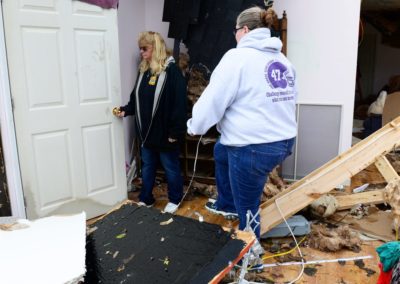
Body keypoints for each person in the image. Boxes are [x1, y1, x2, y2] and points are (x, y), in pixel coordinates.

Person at [187, 7, 297, 239]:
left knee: (248, 211)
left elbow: (212, 102)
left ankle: (250, 258)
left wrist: (194, 126)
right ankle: (226, 203)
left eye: (236, 30)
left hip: (253, 148)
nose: (234, 35)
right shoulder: (282, 60)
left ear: (245, 30)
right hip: (284, 141)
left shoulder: (236, 58)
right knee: (221, 150)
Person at [114, 31, 187, 214]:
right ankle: (146, 198)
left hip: (165, 134)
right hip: (146, 133)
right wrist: (126, 110)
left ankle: (175, 198)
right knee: (147, 166)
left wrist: (175, 132)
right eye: (140, 49)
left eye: (144, 48)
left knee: (170, 168)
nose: (141, 52)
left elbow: (180, 104)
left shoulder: (172, 72)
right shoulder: (144, 70)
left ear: (155, 48)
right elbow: (137, 98)